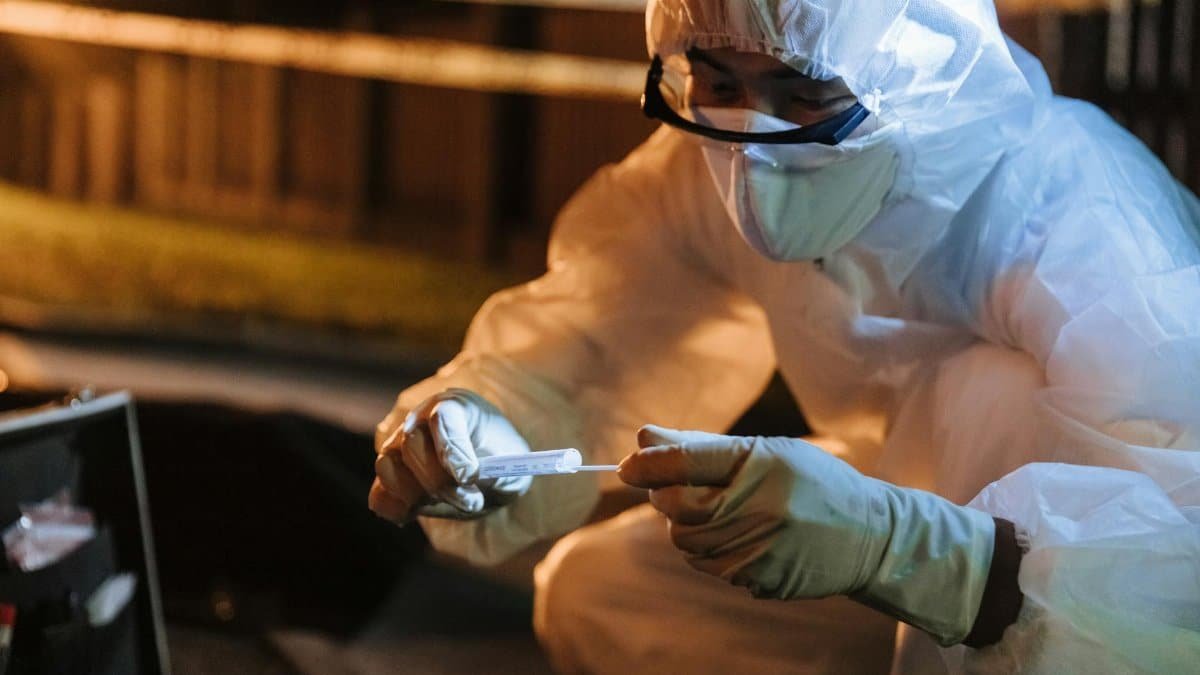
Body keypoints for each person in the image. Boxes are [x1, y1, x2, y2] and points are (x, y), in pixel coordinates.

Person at [369, 1, 1200, 672]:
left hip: (1030, 598)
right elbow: (594, 339)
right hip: (881, 543)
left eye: (802, 91)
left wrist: (927, 557)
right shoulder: (704, 166)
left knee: (993, 394)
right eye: (717, 79)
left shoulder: (1078, 215)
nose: (751, 141)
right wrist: (486, 428)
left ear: (912, 69)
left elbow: (1179, 568)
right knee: (601, 594)